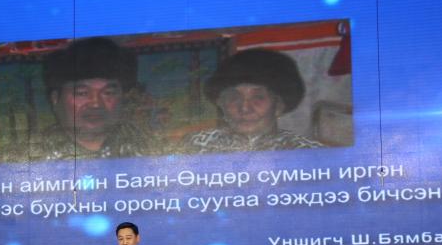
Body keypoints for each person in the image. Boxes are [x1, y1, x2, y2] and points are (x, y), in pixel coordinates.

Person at [30, 37, 156, 159]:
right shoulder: (35, 153)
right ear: (55, 99)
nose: (95, 103)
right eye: (82, 93)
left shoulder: (148, 145)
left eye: (108, 93)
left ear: (123, 97)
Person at [181, 48, 324, 153]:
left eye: (258, 97)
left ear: (278, 106)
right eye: (234, 97)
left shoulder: (308, 153)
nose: (244, 108)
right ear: (221, 103)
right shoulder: (195, 146)